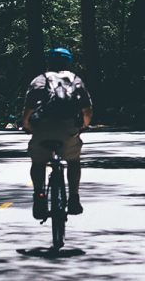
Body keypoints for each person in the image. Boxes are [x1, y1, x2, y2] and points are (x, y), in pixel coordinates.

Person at [22, 48, 93, 219]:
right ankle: (74, 198)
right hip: (68, 128)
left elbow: (29, 106)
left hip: (43, 127)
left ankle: (39, 197)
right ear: (68, 62)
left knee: (38, 162)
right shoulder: (75, 80)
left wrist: (26, 124)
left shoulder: (40, 79)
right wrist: (84, 125)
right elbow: (87, 109)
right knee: (73, 161)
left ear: (49, 62)